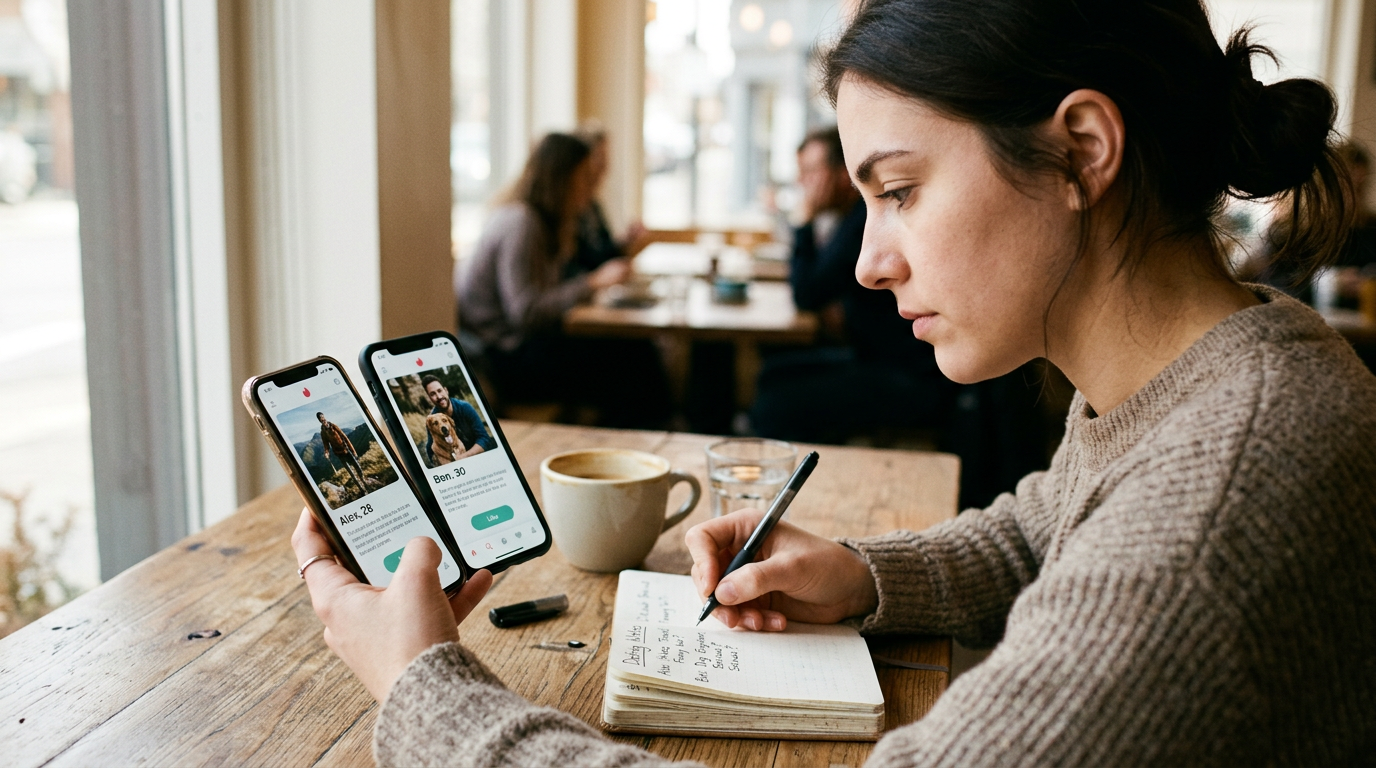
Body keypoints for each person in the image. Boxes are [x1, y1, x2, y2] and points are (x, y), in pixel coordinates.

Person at [292, 1, 1376, 765]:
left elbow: (1139, 552)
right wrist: (860, 576)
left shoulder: (1214, 506)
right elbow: (1045, 528)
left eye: (897, 189)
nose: (867, 260)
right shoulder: (1225, 369)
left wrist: (423, 686)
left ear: (1080, 151)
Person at [751, 125, 952, 444]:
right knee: (770, 374)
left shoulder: (860, 222)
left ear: (843, 173)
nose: (802, 183)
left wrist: (804, 222)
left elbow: (807, 294)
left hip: (908, 378)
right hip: (877, 361)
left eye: (810, 171)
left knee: (775, 404)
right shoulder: (851, 218)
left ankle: (808, 478)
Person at [457, 132, 671, 428]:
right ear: (562, 179)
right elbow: (526, 312)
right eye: (584, 177)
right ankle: (642, 440)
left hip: (519, 348)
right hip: (503, 359)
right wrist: (592, 283)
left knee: (632, 352)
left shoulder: (540, 221)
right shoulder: (522, 223)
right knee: (632, 359)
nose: (591, 186)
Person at [569, 125, 648, 275]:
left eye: (606, 156)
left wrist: (627, 241)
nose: (605, 165)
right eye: (599, 156)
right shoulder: (569, 206)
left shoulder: (593, 204)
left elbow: (604, 255)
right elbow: (574, 266)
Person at [421, 375, 494, 463]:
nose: (439, 396)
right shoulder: (432, 420)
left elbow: (484, 439)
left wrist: (464, 456)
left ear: (446, 390)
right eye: (433, 394)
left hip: (478, 456)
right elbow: (430, 449)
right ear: (429, 398)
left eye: (440, 391)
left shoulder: (465, 407)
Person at [316, 413, 365, 493]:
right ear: (319, 420)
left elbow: (344, 437)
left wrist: (353, 451)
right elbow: (326, 444)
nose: (321, 419)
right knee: (351, 472)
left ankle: (363, 481)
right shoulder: (323, 433)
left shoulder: (334, 426)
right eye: (319, 418)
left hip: (346, 449)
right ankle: (361, 488)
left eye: (322, 417)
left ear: (324, 417)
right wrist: (326, 452)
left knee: (357, 466)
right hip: (338, 453)